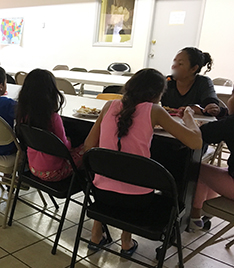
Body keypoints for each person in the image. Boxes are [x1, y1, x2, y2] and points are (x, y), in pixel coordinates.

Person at [83, 68, 202, 256]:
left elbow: (89, 146)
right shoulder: (154, 111)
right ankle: (126, 242)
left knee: (113, 170)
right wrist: (189, 117)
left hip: (101, 194)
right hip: (137, 201)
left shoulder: (109, 106)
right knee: (133, 175)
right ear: (156, 94)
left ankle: (96, 237)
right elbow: (195, 142)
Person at [16, 69, 86, 182]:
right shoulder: (53, 118)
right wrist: (69, 141)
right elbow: (65, 148)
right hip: (55, 172)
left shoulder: (24, 115)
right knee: (88, 147)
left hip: (33, 168)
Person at [190, 88, 234, 230]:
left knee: (197, 168)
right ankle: (206, 211)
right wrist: (221, 112)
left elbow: (202, 134)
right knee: (213, 171)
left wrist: (189, 118)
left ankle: (194, 217)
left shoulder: (230, 124)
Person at [161, 47, 227, 118]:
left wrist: (210, 108)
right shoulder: (167, 82)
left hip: (195, 126)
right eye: (175, 62)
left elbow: (210, 105)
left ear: (194, 69)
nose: (173, 66)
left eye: (180, 64)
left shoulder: (203, 82)